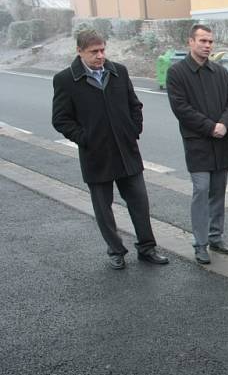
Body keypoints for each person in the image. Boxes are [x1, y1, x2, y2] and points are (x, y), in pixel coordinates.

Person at [52, 29, 169, 270]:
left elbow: (134, 104)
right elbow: (61, 119)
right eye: (94, 51)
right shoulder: (65, 80)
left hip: (126, 151)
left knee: (139, 202)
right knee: (103, 209)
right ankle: (116, 250)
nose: (100, 56)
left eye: (103, 50)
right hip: (96, 155)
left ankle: (147, 248)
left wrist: (133, 129)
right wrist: (85, 139)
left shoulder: (119, 71)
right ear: (79, 51)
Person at [166, 24, 228, 265]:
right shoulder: (177, 73)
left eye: (210, 41)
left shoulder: (220, 72)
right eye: (203, 41)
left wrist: (224, 124)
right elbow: (181, 108)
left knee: (218, 192)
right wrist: (211, 127)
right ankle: (200, 243)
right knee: (201, 191)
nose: (207, 45)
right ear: (190, 42)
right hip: (198, 143)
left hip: (222, 142)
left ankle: (215, 237)